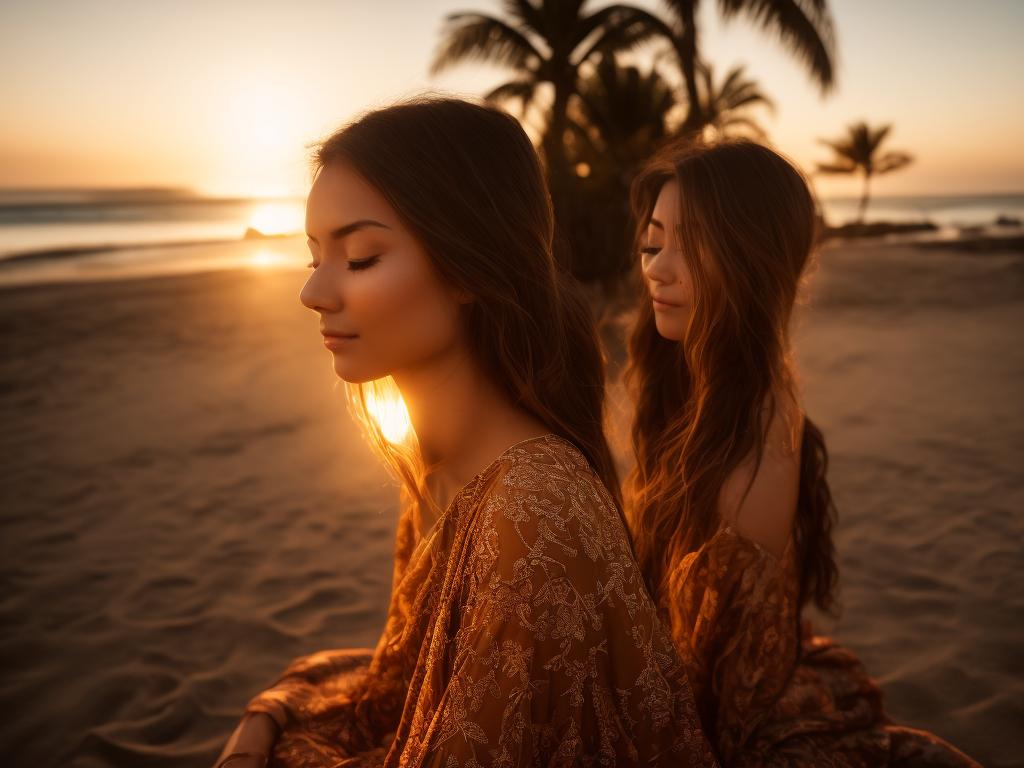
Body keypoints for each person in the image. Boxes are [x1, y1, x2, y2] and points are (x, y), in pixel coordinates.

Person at [213, 97, 718, 768]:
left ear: (469, 266)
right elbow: (405, 682)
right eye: (314, 259)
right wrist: (264, 722)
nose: (315, 294)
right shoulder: (431, 458)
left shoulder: (531, 514)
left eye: (361, 258)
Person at [623, 137, 981, 766]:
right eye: (654, 242)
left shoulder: (750, 446)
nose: (657, 266)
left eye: (693, 246)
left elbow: (711, 695)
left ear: (752, 261)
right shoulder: (694, 385)